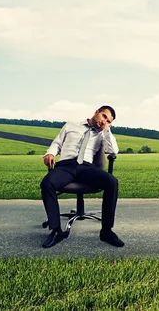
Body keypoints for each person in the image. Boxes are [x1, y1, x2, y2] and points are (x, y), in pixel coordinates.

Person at [40, 105, 124, 248]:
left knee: (112, 182)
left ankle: (106, 231)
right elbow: (57, 143)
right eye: (104, 116)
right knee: (47, 183)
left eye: (109, 121)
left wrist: (107, 129)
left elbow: (113, 150)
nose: (104, 122)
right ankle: (56, 231)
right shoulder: (71, 125)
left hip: (86, 168)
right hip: (66, 166)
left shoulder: (103, 134)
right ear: (96, 112)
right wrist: (50, 153)